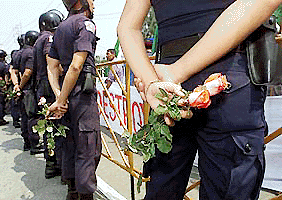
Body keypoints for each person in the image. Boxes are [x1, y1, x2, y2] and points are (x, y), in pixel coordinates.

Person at [117, 0, 282, 199]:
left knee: (162, 189)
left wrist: (153, 81)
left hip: (168, 90)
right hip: (225, 82)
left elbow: (128, 26)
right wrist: (170, 75)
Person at [47, 0, 101, 199]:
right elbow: (76, 66)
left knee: (69, 144)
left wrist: (59, 97)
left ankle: (72, 192)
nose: (94, 4)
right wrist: (62, 99)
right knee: (88, 148)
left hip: (66, 95)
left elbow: (52, 67)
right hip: (82, 97)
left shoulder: (59, 29)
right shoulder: (84, 24)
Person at [33, 9, 63, 179]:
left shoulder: (38, 40)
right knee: (56, 125)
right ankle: (57, 163)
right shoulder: (48, 38)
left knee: (48, 127)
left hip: (41, 87)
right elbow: (50, 61)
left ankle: (50, 164)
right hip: (50, 86)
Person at [13, 30, 39, 151]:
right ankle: (34, 144)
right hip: (29, 89)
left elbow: (13, 71)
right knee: (32, 117)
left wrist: (17, 85)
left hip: (23, 90)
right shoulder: (32, 52)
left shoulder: (18, 53)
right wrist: (21, 85)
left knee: (24, 116)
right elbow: (28, 72)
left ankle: (27, 142)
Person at [9, 34, 25, 128]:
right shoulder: (31, 52)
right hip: (26, 83)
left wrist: (16, 84)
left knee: (16, 103)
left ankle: (16, 120)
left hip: (16, 83)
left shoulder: (16, 54)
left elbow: (11, 70)